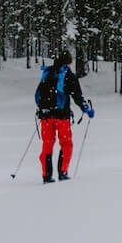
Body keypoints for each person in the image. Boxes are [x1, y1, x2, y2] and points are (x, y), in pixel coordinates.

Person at [34, 50, 93, 182]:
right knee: (66, 144)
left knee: (47, 145)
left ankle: (46, 175)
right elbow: (77, 96)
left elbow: (38, 94)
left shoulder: (48, 72)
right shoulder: (68, 76)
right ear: (69, 61)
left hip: (46, 116)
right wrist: (86, 109)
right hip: (62, 116)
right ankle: (63, 172)